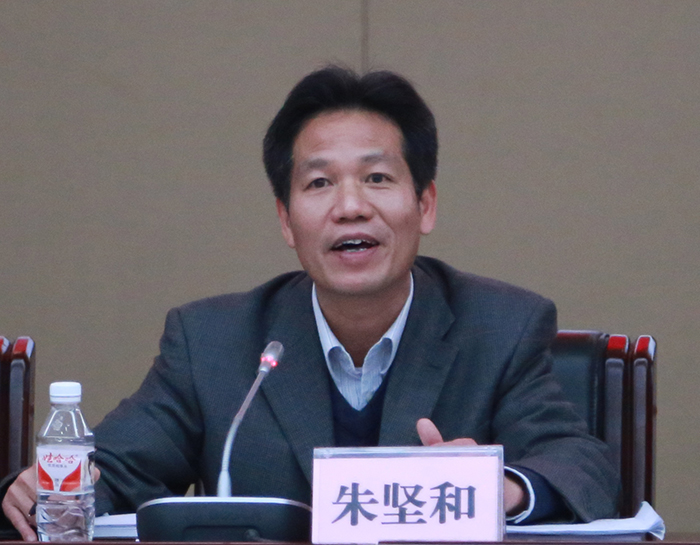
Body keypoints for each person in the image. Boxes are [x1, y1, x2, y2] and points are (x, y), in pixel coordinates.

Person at [1, 66, 619, 540]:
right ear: (286, 219)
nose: (350, 207)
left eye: (377, 178)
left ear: (424, 205)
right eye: (319, 182)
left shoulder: (501, 326)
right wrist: (43, 493)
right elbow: (112, 469)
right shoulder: (213, 341)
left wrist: (500, 487)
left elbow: (580, 463)